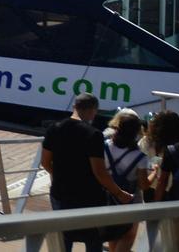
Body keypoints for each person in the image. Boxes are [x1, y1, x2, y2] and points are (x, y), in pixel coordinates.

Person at [41, 93, 133, 251]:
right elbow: (99, 172)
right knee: (93, 240)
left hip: (60, 194)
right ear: (92, 110)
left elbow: (45, 162)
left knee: (63, 239)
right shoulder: (93, 134)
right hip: (88, 197)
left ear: (74, 107)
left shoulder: (54, 128)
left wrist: (60, 177)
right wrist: (119, 193)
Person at [102, 110, 148, 252]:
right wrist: (154, 174)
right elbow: (143, 184)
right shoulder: (140, 157)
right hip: (129, 201)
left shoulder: (104, 146)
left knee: (113, 234)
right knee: (128, 235)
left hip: (106, 196)